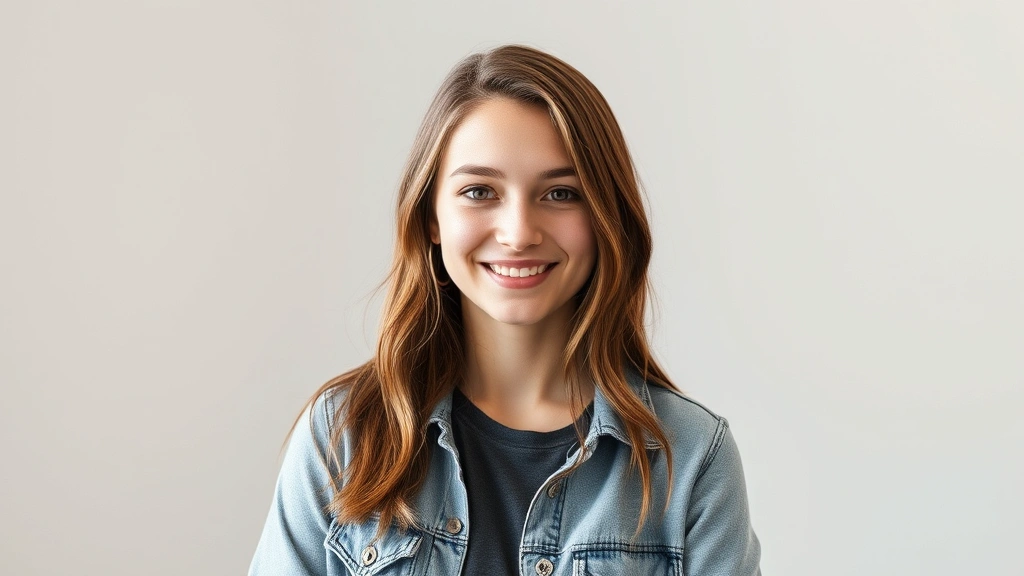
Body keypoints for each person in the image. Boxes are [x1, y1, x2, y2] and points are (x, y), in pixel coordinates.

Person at [249, 44, 761, 576]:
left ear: (606, 216)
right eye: (479, 191)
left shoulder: (693, 459)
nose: (518, 233)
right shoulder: (344, 436)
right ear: (431, 218)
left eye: (561, 193)